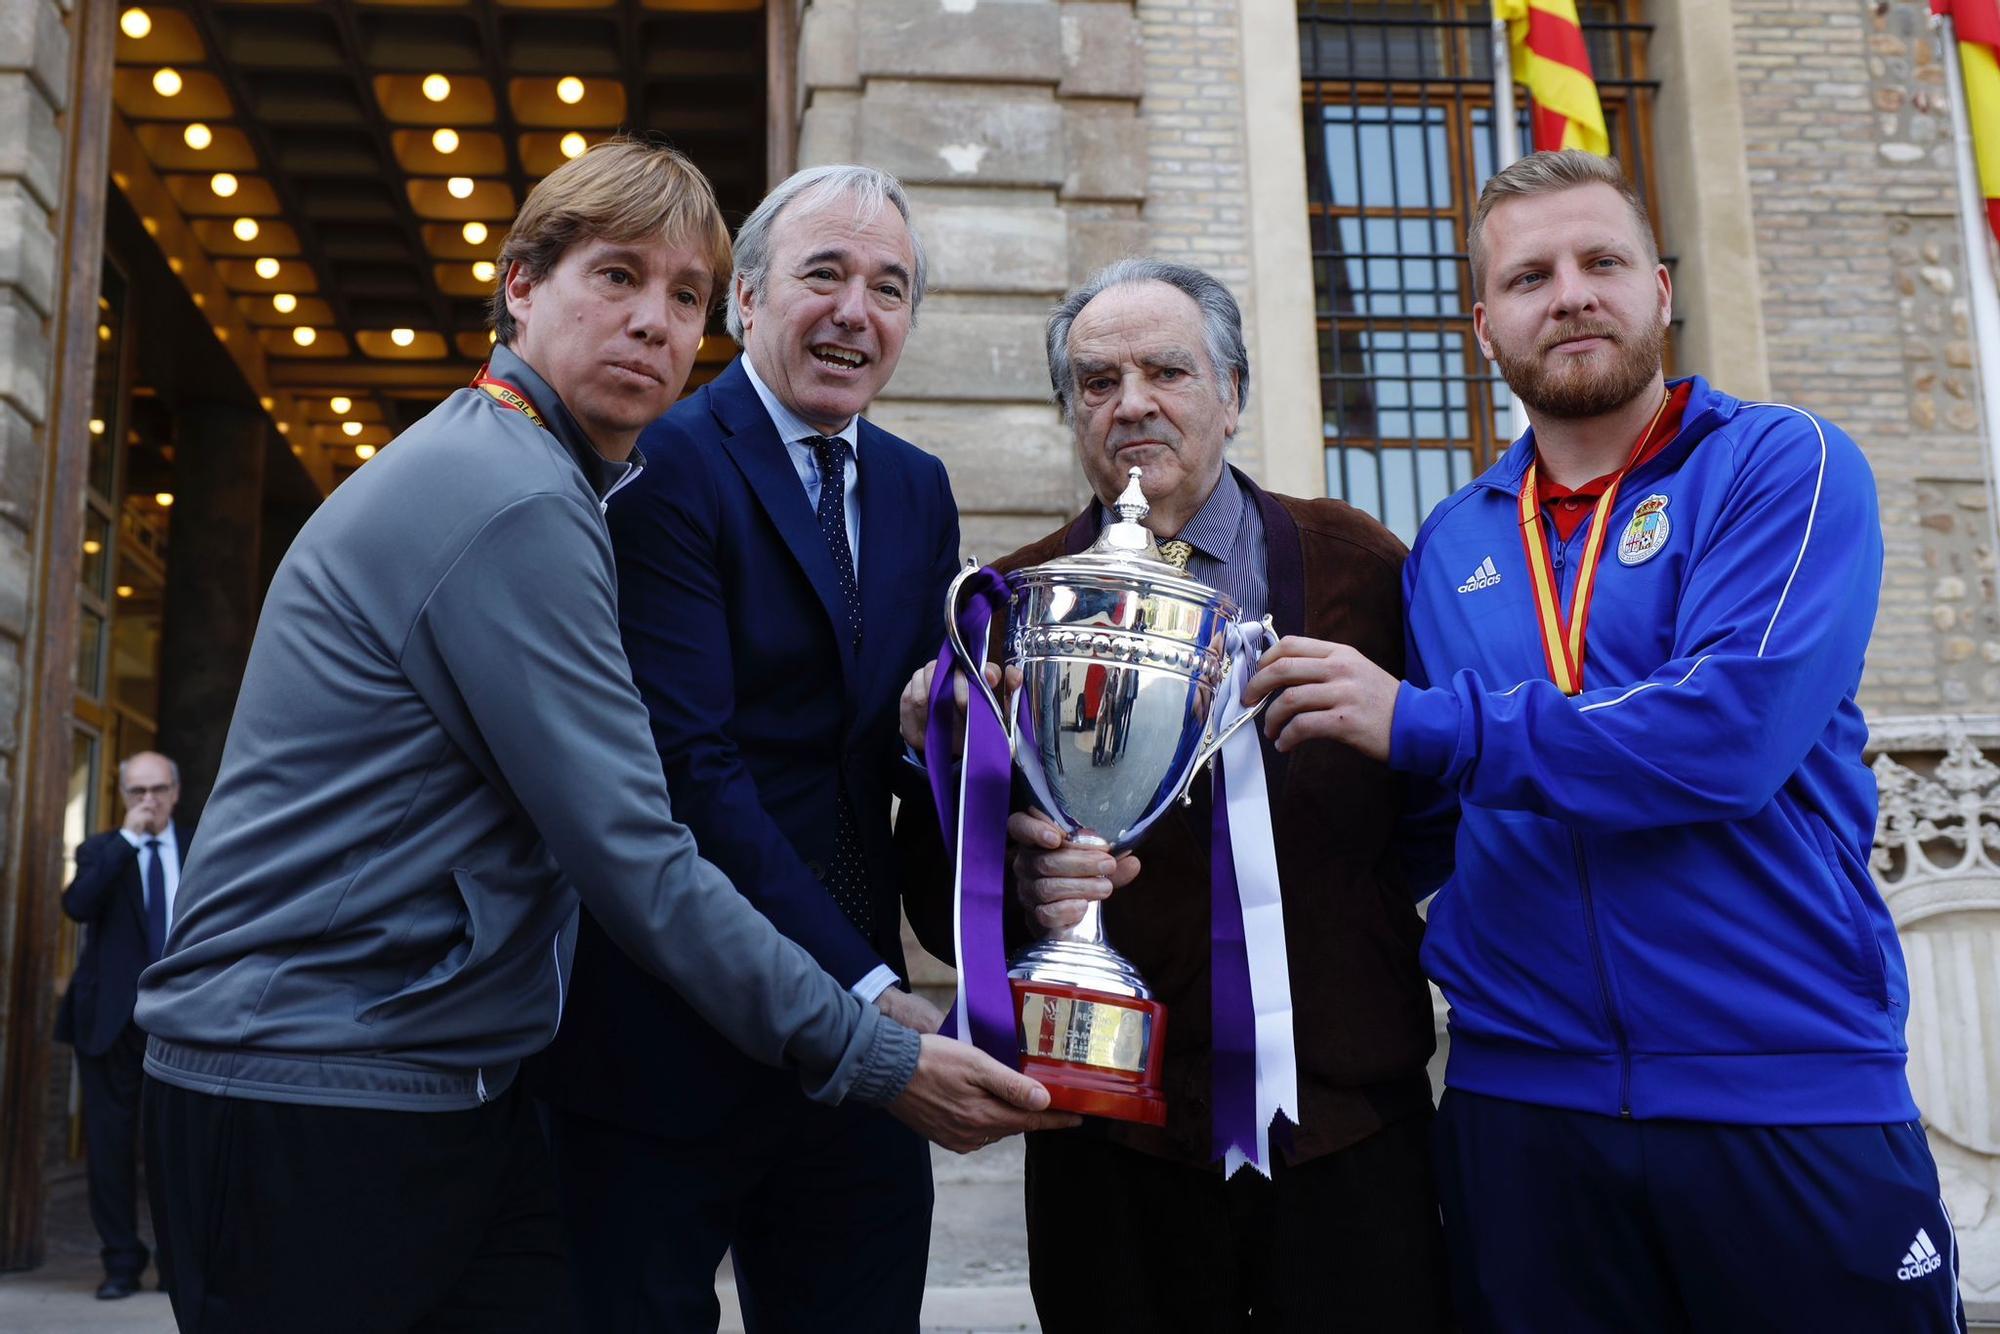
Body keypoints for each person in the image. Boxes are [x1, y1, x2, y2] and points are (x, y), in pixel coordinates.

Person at [133, 139, 1069, 1334]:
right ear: (520, 284)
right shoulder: (520, 494)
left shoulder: (555, 475)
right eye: (616, 278)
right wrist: (875, 1042)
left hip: (427, 1075)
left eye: (678, 295)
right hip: (315, 1082)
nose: (651, 322)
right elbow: (638, 837)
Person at [1245, 149, 1966, 1331]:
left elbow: (1727, 731)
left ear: (1660, 289)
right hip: (1521, 1109)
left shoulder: (1779, 464)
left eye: (1601, 261)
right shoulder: (1449, 543)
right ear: (1482, 323)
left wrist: (1421, 718)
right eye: (1527, 276)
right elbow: (1414, 826)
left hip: (1782, 1088)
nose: (1569, 292)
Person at [899, 258, 1451, 1331]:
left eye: (1167, 370)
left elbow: (1434, 810)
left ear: (1232, 394)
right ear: (1070, 412)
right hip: (1109, 1141)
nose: (1131, 402)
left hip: (1346, 1130)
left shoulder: (1359, 571)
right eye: (1097, 381)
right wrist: (1013, 875)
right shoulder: (1006, 609)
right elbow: (937, 889)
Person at [536, 164, 959, 1333]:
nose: (853, 311)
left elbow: (893, 746)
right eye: (823, 274)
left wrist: (959, 762)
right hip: (671, 1032)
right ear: (749, 301)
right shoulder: (663, 463)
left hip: (854, 1054)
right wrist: (870, 992)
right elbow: (692, 770)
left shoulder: (921, 490)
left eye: (888, 286)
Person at [56, 751, 186, 1301]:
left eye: (158, 790)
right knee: (109, 1149)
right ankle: (121, 1263)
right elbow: (78, 906)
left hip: (183, 1023)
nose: (149, 801)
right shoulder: (102, 850)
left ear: (176, 792)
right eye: (137, 792)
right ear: (122, 794)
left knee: (180, 1150)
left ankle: (178, 1265)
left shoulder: (207, 848)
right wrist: (130, 841)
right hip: (111, 1024)